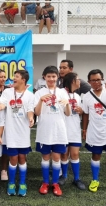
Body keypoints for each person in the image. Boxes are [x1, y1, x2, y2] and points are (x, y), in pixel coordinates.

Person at [0, 70, 35, 196]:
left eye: (16, 76)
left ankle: (22, 183)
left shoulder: (30, 95)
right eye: (14, 76)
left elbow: (30, 110)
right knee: (13, 159)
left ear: (23, 80)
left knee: (22, 158)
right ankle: (11, 183)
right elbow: (2, 103)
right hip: (11, 133)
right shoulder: (7, 92)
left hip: (23, 133)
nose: (13, 78)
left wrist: (31, 118)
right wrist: (0, 106)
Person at [34, 66, 71, 196]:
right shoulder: (39, 92)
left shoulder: (62, 92)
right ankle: (45, 182)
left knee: (56, 157)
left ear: (57, 77)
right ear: (44, 77)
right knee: (45, 157)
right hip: (44, 130)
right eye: (48, 76)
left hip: (59, 131)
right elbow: (37, 112)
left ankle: (55, 183)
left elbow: (68, 113)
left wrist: (67, 103)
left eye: (53, 76)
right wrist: (40, 100)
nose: (51, 79)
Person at [59, 72, 86, 190]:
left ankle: (76, 178)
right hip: (63, 128)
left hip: (75, 128)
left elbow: (79, 113)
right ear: (72, 81)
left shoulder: (77, 96)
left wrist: (80, 111)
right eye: (78, 79)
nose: (80, 81)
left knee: (75, 154)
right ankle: (63, 176)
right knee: (64, 154)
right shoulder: (61, 93)